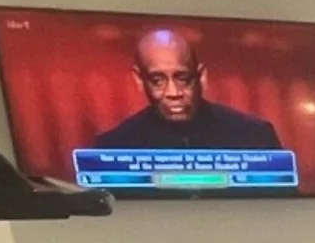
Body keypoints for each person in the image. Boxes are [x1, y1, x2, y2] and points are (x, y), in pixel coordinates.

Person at [91, 26, 282, 152]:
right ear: (140, 81)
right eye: (157, 80)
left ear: (201, 77)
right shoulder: (114, 145)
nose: (173, 93)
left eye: (183, 79)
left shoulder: (254, 136)